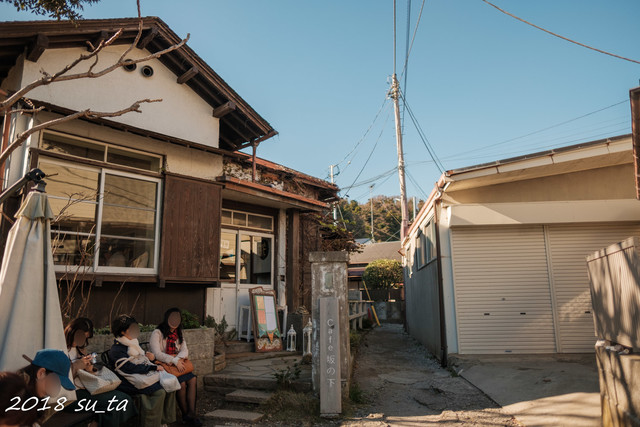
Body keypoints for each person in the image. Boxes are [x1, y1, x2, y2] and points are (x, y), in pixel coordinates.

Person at [64, 317, 136, 427]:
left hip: (86, 387)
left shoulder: (80, 348)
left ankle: (97, 422)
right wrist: (76, 366)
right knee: (117, 403)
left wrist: (89, 368)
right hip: (71, 395)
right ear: (71, 332)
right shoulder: (61, 349)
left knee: (124, 398)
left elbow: (88, 373)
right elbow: (60, 381)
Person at [108, 314, 176, 427]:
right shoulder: (117, 349)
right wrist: (152, 367)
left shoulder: (133, 342)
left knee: (170, 385)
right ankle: (153, 424)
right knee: (160, 392)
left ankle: (162, 421)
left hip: (140, 376)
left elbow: (141, 360)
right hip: (127, 381)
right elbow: (128, 368)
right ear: (122, 332)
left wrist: (151, 359)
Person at [150, 308, 202, 427]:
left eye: (177, 318)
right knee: (181, 384)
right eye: (172, 317)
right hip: (164, 366)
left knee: (193, 379)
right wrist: (173, 360)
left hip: (176, 365)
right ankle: (186, 415)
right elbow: (157, 353)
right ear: (167, 318)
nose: (175, 320)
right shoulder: (157, 333)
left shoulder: (179, 333)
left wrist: (177, 360)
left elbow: (185, 350)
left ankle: (191, 414)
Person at [16, 349, 77, 425]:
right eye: (55, 381)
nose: (57, 387)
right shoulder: (15, 395)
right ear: (41, 373)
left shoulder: (36, 401)